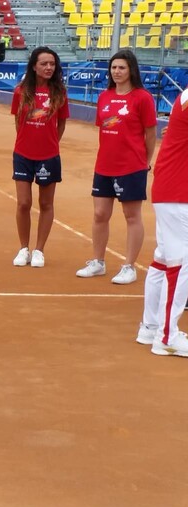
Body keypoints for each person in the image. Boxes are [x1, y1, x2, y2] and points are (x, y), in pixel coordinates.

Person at [76, 49, 157, 284]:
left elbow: (150, 134)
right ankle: (98, 262)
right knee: (100, 214)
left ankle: (129, 266)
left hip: (131, 166)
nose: (117, 71)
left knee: (132, 216)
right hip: (104, 165)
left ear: (131, 69)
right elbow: (104, 127)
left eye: (122, 67)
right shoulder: (104, 97)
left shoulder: (142, 97)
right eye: (114, 67)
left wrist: (145, 162)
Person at [136, 86, 188, 356]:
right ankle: (167, 336)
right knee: (181, 263)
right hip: (178, 194)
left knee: (163, 259)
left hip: (172, 190)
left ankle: (150, 326)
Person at [10, 46, 69, 268]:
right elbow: (18, 121)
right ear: (34, 66)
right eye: (44, 64)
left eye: (52, 64)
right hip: (23, 154)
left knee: (46, 203)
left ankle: (39, 250)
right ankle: (23, 248)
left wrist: (50, 142)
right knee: (24, 202)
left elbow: (61, 123)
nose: (48, 68)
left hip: (49, 155)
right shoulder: (21, 91)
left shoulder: (59, 93)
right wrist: (29, 140)